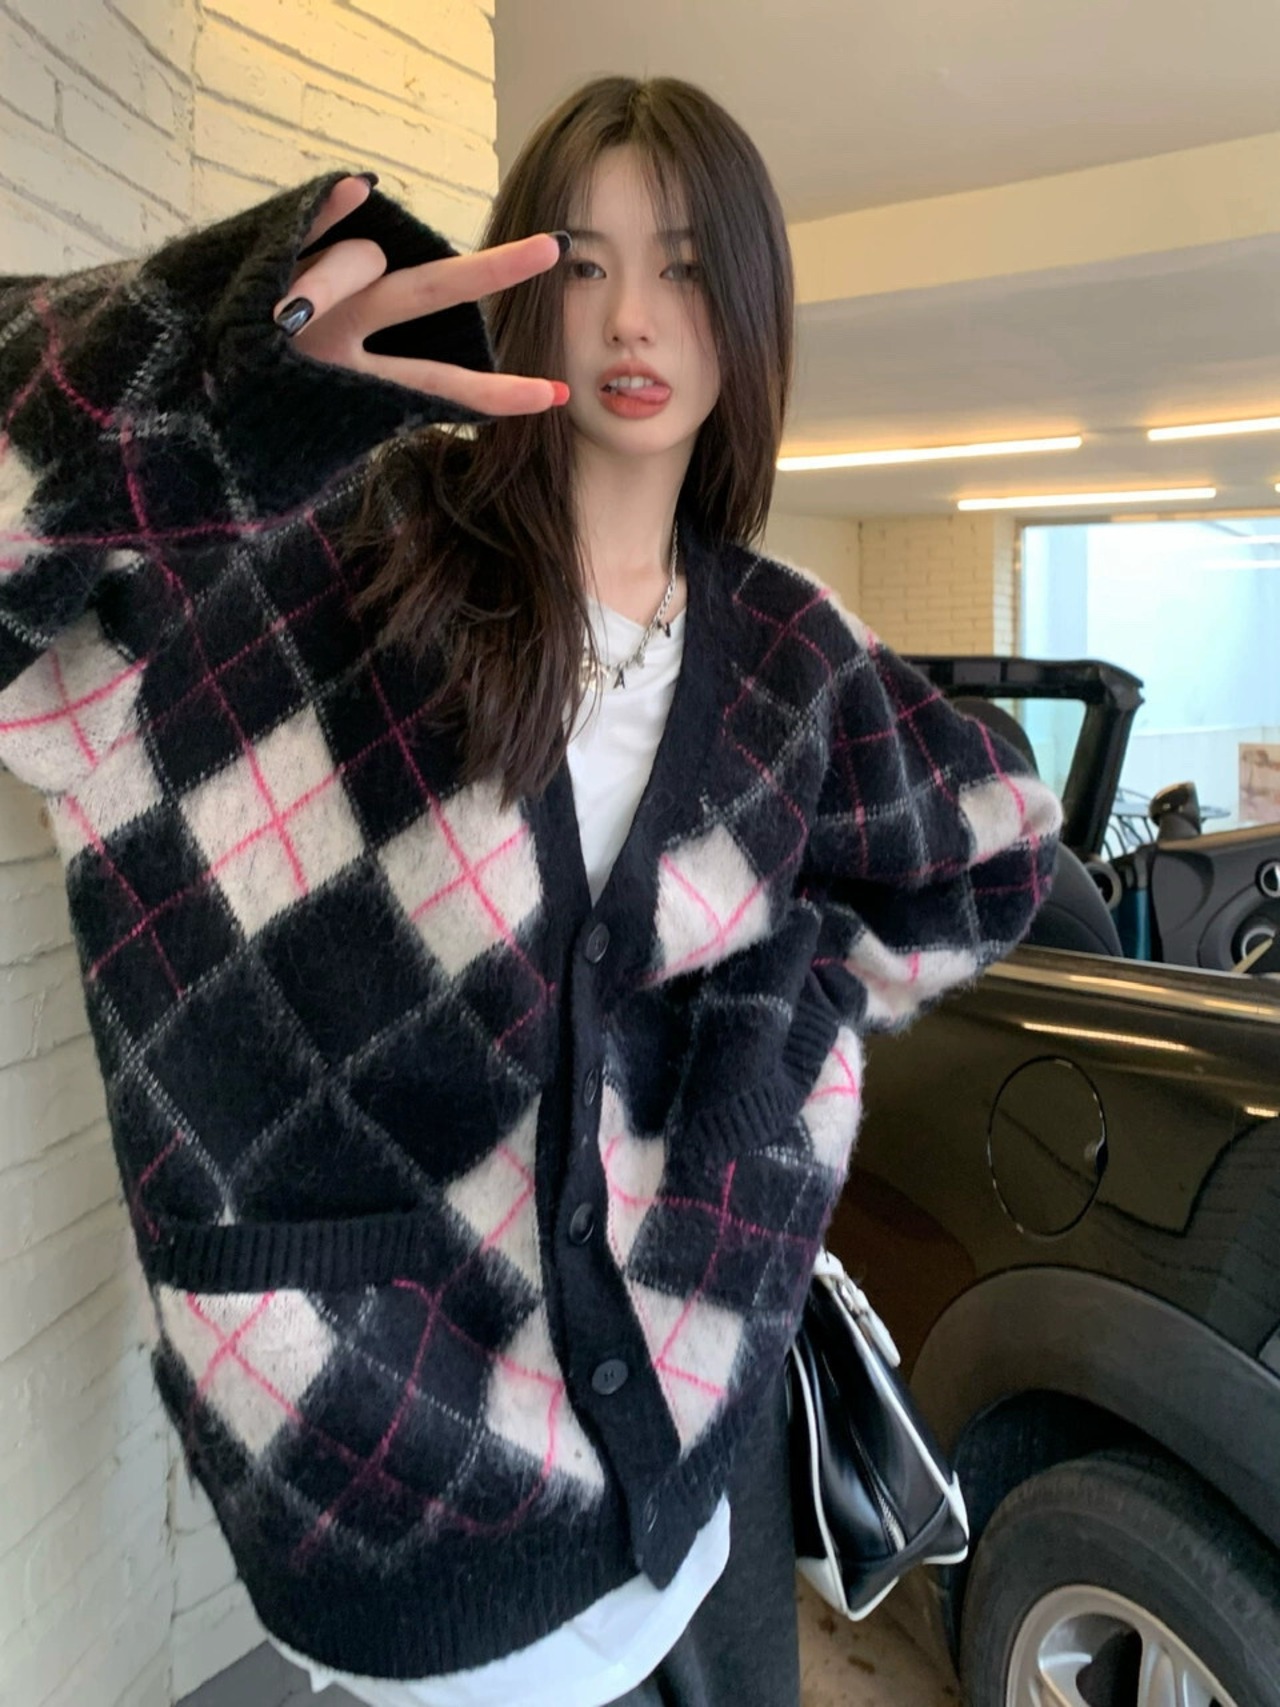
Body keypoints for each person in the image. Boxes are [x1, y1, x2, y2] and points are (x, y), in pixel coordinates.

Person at [0, 74, 1062, 1707]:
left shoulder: (789, 649)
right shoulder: (331, 570)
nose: (632, 315)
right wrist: (229, 384)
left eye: (687, 267)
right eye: (584, 262)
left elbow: (992, 846)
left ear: (752, 312)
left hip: (690, 1470)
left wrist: (780, 1053)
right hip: (398, 1502)